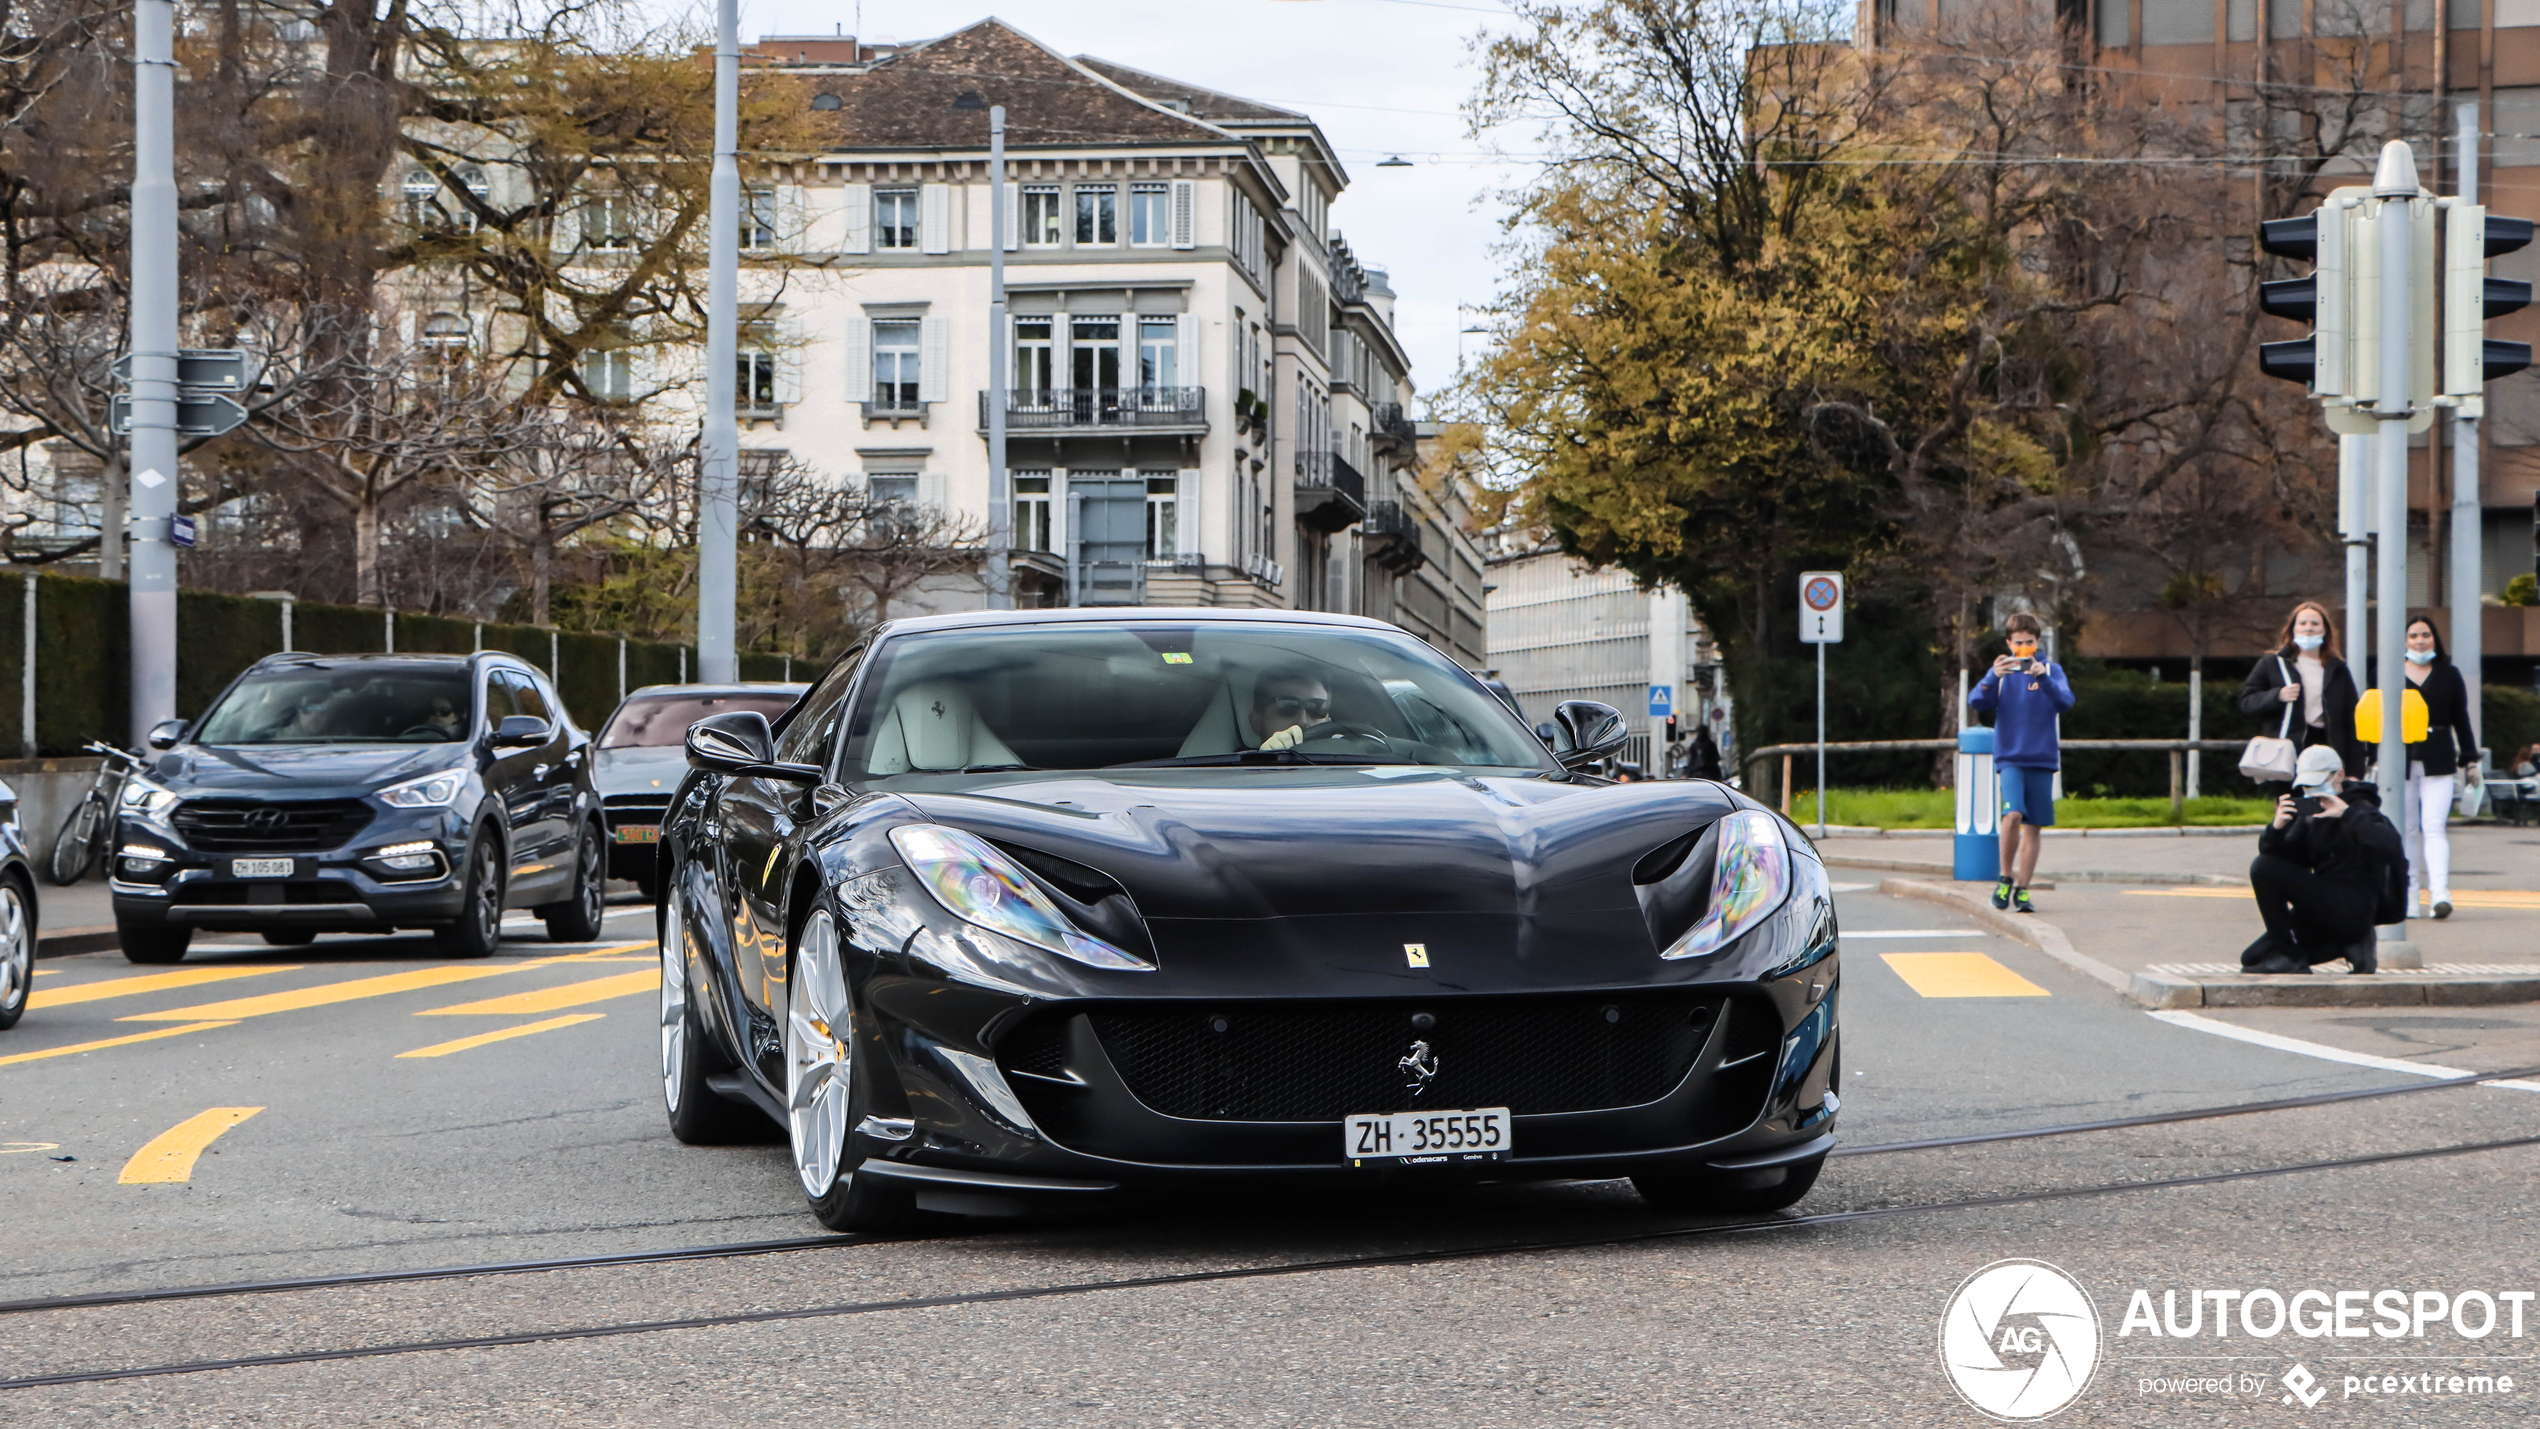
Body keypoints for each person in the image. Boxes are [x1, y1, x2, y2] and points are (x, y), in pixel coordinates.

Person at [2242, 745, 2406, 974]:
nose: (2313, 791)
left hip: (2354, 906)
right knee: (2253, 958)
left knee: (2261, 867)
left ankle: (2308, 953)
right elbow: (2286, 862)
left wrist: (2348, 815)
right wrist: (2276, 829)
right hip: (2323, 905)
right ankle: (2348, 946)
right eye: (2307, 785)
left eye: (2318, 782)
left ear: (2339, 775)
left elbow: (2390, 845)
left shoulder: (2361, 807)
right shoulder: (2313, 813)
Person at [1968, 613, 2075, 915]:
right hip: (2010, 756)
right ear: (2009, 643)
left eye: (2030, 642)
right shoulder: (2002, 673)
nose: (2024, 648)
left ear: (2037, 642)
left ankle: (2023, 890)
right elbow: (1976, 701)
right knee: (2012, 814)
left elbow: (2065, 702)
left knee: (2033, 827)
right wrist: (1992, 675)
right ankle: (2005, 877)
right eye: (2019, 643)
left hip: (2042, 758)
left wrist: (2043, 677)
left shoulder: (2052, 670)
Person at [2394, 617, 2482, 920]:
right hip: (2400, 760)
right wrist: (2371, 758)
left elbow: (2461, 718)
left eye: (2426, 635)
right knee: (2405, 830)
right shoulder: (2388, 673)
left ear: (2435, 639)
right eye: (2414, 635)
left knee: (2434, 826)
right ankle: (2408, 896)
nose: (2420, 641)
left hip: (2439, 759)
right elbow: (2376, 715)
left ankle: (2440, 893)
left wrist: (2470, 758)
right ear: (2404, 640)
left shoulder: (2449, 674)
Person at [2236, 599, 2362, 776]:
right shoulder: (2273, 663)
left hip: (2326, 748)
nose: (2308, 628)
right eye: (2302, 623)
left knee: (2324, 801)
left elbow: (2351, 720)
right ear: (2292, 629)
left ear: (2325, 630)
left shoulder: (2337, 669)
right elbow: (2246, 702)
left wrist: (2355, 771)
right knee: (2289, 803)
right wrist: (2277, 696)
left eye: (2315, 623)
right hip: (2287, 750)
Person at [1251, 669, 1334, 750]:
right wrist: (1266, 760)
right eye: (1288, 707)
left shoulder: (1344, 759)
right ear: (1257, 722)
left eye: (1317, 708)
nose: (1303, 721)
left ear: (1328, 721)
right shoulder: (1242, 763)